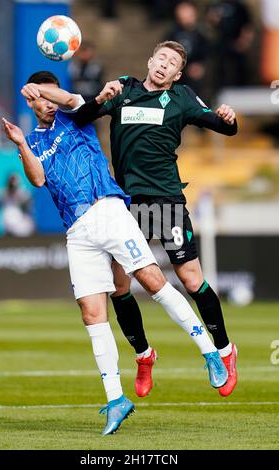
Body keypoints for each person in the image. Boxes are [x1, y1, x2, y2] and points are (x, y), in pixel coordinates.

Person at [3, 70, 228, 434]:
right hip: (76, 230)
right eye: (38, 99)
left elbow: (78, 102)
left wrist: (51, 92)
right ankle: (115, 399)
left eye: (50, 96)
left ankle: (209, 351)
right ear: (30, 102)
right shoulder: (33, 139)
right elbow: (38, 180)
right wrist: (20, 144)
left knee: (152, 280)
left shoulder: (76, 116)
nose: (45, 103)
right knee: (91, 313)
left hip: (107, 209)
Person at [72, 40, 239, 399]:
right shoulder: (123, 89)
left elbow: (225, 128)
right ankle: (144, 356)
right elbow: (81, 118)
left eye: (172, 63)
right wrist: (100, 98)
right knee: (119, 285)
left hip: (166, 201)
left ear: (177, 74)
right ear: (150, 61)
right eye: (160, 58)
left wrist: (229, 116)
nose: (164, 65)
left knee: (190, 278)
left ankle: (225, 351)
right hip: (127, 203)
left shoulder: (181, 97)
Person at [164, 1, 208, 98]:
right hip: (177, 73)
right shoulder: (172, 34)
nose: (186, 18)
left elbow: (208, 53)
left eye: (189, 14)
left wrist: (201, 65)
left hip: (196, 75)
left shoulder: (202, 35)